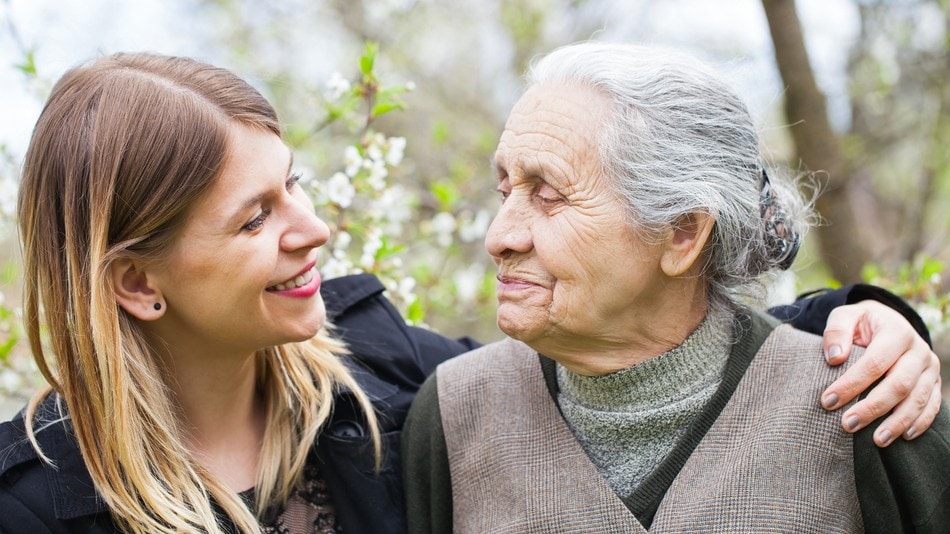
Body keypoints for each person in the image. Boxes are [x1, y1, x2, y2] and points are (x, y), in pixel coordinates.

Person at [0, 51, 939, 534]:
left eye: (297, 184)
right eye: (254, 219)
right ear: (135, 283)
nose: (312, 229)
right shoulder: (34, 504)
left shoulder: (382, 376)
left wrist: (864, 326)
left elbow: (661, 352)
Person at [401, 42, 950, 533]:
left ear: (683, 232)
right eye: (505, 191)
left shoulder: (873, 402)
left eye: (549, 195)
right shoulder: (453, 415)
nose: (500, 237)